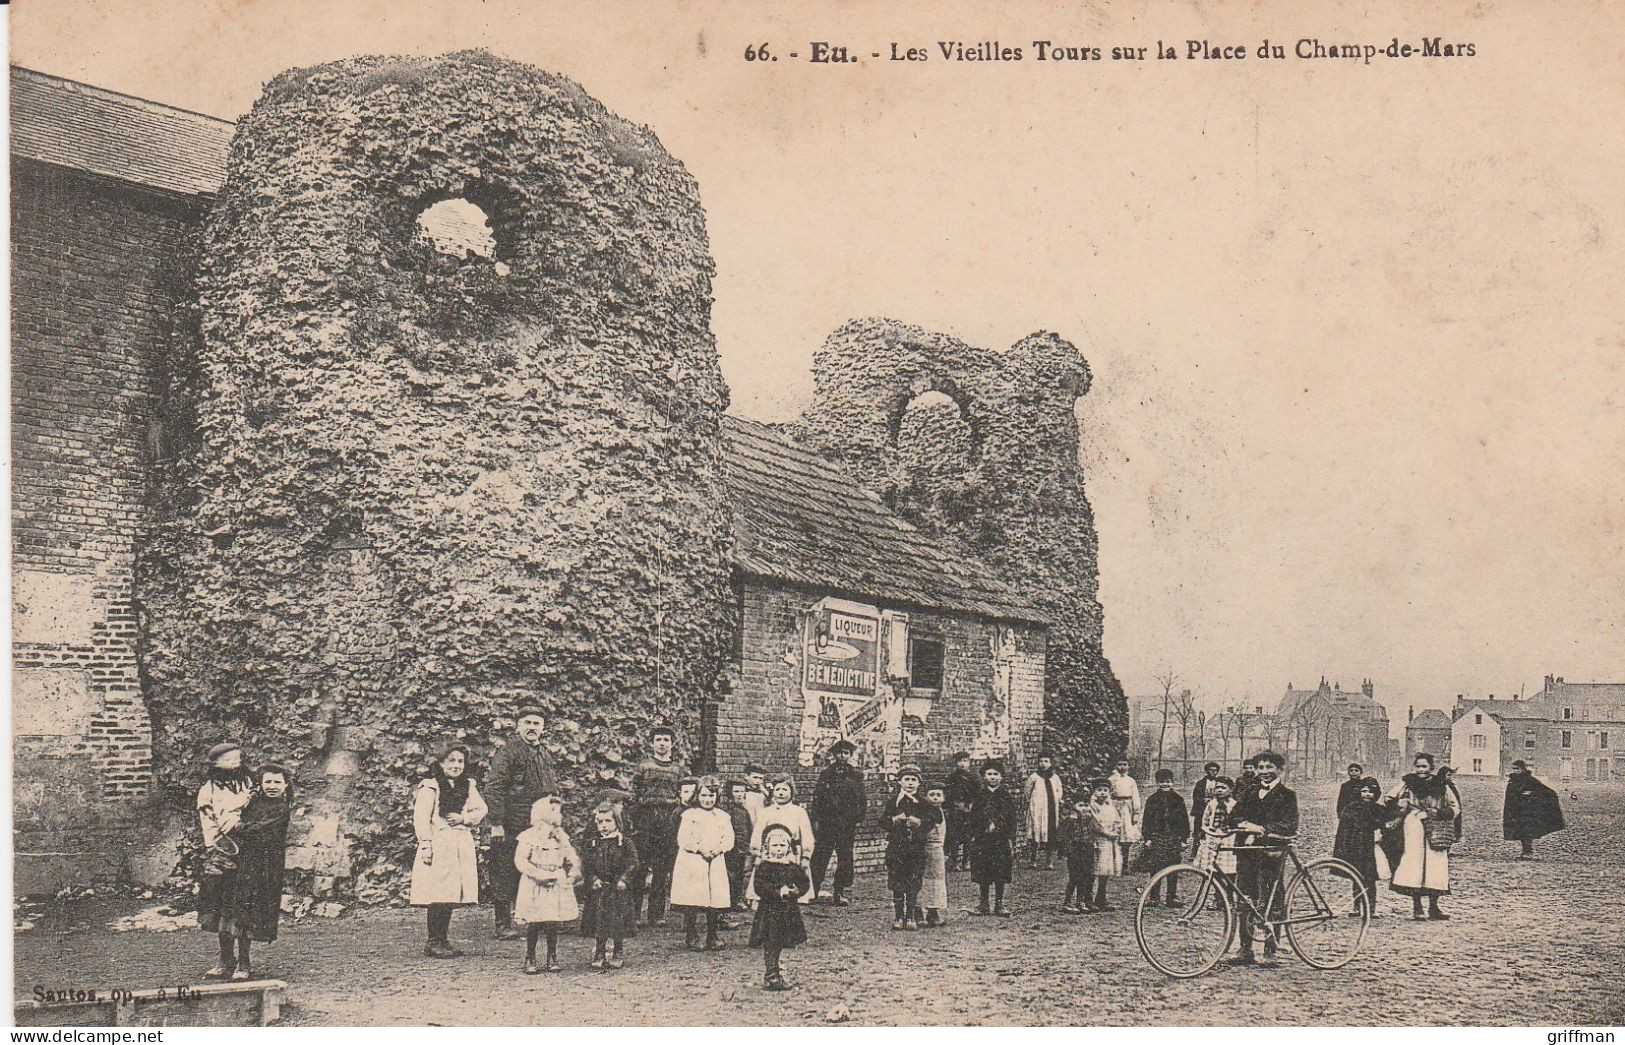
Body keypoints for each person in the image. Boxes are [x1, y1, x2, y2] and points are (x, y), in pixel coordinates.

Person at [200, 761, 292, 981]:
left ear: (285, 785)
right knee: (226, 910)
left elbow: (259, 832)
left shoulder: (280, 809)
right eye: (267, 781)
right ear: (260, 783)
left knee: (245, 915)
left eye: (277, 782)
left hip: (260, 869)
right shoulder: (250, 803)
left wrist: (236, 827)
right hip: (237, 864)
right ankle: (224, 961)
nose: (272, 786)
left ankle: (243, 963)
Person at [484, 707, 559, 940]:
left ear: (543, 729)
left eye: (537, 723)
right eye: (527, 722)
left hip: (538, 824)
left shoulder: (544, 754)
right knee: (505, 870)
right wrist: (496, 822)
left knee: (538, 866)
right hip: (512, 822)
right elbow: (494, 788)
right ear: (518, 726)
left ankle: (535, 918)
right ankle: (503, 924)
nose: (532, 728)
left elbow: (550, 788)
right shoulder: (508, 753)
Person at [410, 745, 488, 957]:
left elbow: (481, 809)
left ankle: (443, 939)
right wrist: (426, 844)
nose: (456, 765)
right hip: (439, 843)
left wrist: (465, 819)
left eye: (460, 761)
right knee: (438, 892)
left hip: (460, 843)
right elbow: (421, 818)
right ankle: (433, 940)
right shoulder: (431, 787)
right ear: (441, 763)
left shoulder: (467, 786)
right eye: (451, 760)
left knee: (451, 892)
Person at [1226, 750, 1298, 968]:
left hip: (1270, 852)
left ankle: (1270, 950)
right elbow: (1234, 816)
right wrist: (1243, 824)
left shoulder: (1287, 795)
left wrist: (1261, 829)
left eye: (1269, 767)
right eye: (1261, 768)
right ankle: (1245, 949)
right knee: (1244, 899)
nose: (1264, 772)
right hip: (1247, 852)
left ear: (1279, 770)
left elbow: (1289, 825)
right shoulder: (1249, 792)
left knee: (1271, 900)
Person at [195, 741, 257, 980]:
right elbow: (208, 820)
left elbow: (255, 813)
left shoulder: (250, 785)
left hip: (247, 850)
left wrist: (243, 828)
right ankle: (225, 960)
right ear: (216, 764)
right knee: (221, 907)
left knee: (242, 907)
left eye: (237, 759)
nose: (234, 764)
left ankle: (244, 962)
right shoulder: (208, 790)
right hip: (222, 852)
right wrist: (217, 844)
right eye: (228, 760)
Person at [1386, 753, 1460, 921]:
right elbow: (1389, 797)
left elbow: (1455, 807)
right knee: (1415, 866)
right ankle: (1417, 907)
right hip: (1413, 827)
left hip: (1435, 828)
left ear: (1431, 768)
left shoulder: (1441, 785)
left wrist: (1440, 812)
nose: (1421, 770)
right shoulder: (1407, 784)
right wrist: (1399, 807)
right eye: (1418, 766)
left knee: (1435, 866)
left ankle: (1434, 907)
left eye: (1424, 766)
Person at [514, 795, 580, 974]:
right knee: (534, 921)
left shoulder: (561, 836)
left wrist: (573, 872)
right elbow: (520, 860)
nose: (558, 815)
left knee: (552, 921)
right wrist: (537, 874)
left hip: (555, 880)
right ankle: (531, 956)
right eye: (554, 811)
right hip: (535, 882)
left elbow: (571, 856)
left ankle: (552, 955)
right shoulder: (529, 836)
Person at [629, 726, 684, 928]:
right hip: (646, 818)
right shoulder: (644, 767)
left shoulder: (678, 770)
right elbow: (634, 792)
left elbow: (682, 794)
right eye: (658, 739)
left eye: (666, 740)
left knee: (661, 870)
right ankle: (634, 913)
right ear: (652, 743)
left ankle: (656, 914)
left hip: (668, 820)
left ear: (672, 744)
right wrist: (636, 817)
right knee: (640, 867)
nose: (662, 743)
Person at [672, 776, 735, 951]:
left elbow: (729, 839)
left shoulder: (722, 817)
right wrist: (700, 849)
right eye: (704, 795)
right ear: (697, 795)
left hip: (715, 860)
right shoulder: (689, 815)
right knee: (693, 897)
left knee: (714, 898)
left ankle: (712, 935)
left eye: (711, 796)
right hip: (693, 860)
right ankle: (692, 935)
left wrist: (718, 849)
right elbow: (683, 838)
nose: (707, 800)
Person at [749, 824, 811, 991]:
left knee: (782, 941)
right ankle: (771, 975)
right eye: (775, 845)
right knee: (771, 942)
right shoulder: (764, 867)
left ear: (788, 847)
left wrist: (795, 891)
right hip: (770, 911)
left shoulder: (791, 866)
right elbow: (759, 887)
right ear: (768, 847)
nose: (779, 849)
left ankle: (774, 969)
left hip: (787, 911)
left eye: (782, 845)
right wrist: (777, 892)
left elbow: (804, 882)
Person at [580, 801, 639, 970]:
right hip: (600, 891)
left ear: (617, 822)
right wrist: (593, 879)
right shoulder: (592, 843)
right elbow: (586, 865)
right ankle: (599, 951)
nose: (604, 826)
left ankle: (618, 951)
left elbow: (633, 863)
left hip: (618, 890)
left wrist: (624, 879)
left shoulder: (624, 842)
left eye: (608, 821)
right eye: (600, 822)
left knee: (617, 921)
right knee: (599, 921)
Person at [882, 764, 940, 930]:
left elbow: (933, 820)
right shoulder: (893, 802)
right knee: (897, 882)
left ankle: (911, 917)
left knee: (913, 882)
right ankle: (899, 916)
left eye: (914, 780)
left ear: (919, 783)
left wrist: (920, 822)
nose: (910, 783)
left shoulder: (923, 803)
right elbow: (882, 821)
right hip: (896, 849)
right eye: (906, 779)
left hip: (916, 849)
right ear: (900, 782)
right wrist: (894, 820)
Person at [810, 740, 866, 905]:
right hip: (828, 823)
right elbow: (818, 798)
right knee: (820, 856)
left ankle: (840, 890)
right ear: (834, 755)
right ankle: (813, 889)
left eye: (846, 753)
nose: (843, 756)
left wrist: (858, 818)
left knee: (845, 858)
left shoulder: (856, 775)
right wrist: (816, 819)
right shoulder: (826, 774)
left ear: (850, 755)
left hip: (846, 824)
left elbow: (861, 799)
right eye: (840, 753)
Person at [750, 773, 816, 906]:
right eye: (777, 790)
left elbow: (807, 835)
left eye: (785, 790)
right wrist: (756, 853)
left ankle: (792, 898)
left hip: (791, 853)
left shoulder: (798, 812)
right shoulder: (765, 812)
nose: (781, 793)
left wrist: (806, 856)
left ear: (792, 792)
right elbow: (758, 833)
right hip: (770, 853)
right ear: (772, 792)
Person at [968, 758, 1019, 916]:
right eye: (989, 774)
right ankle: (983, 904)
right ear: (984, 776)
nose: (992, 777)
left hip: (1000, 839)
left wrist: (1008, 834)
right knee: (983, 872)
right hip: (983, 840)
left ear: (1001, 777)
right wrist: (980, 829)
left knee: (1000, 872)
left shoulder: (1006, 796)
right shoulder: (979, 796)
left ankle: (999, 903)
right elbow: (973, 818)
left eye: (996, 774)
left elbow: (1011, 818)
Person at [1332, 776, 1384, 917]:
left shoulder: (1378, 809)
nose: (1367, 794)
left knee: (1370, 879)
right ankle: (1356, 906)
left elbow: (1384, 823)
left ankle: (1371, 908)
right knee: (1356, 877)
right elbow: (1345, 824)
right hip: (1356, 847)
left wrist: (1379, 827)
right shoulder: (1353, 807)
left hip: (1370, 849)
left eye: (1371, 791)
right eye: (1364, 791)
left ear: (1376, 794)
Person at [1140, 768, 1190, 905]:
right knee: (1155, 867)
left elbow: (1184, 820)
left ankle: (1171, 896)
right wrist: (1147, 838)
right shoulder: (1152, 800)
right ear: (1157, 783)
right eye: (1162, 782)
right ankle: (1154, 897)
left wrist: (1184, 839)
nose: (1165, 785)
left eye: (1168, 781)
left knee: (1173, 868)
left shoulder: (1178, 800)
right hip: (1157, 837)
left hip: (1174, 838)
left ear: (1172, 782)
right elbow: (1146, 820)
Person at [1503, 759, 1565, 860]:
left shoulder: (1530, 780)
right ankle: (1525, 852)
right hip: (1517, 812)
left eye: (1517, 769)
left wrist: (1531, 795)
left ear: (1522, 769)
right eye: (1513, 769)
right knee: (1520, 833)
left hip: (1528, 812)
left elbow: (1546, 792)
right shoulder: (1512, 781)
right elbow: (1510, 797)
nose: (1515, 771)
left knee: (1527, 832)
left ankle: (1528, 852)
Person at [1083, 777, 1124, 911]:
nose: (1102, 793)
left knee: (1106, 871)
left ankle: (1101, 898)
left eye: (1105, 790)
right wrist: (1106, 833)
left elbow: (1118, 820)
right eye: (1099, 790)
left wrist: (1116, 830)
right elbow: (1094, 824)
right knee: (1093, 870)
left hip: (1109, 842)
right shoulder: (1091, 806)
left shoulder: (1110, 806)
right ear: (1094, 792)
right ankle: (1087, 899)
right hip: (1097, 841)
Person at [1022, 751, 1065, 869]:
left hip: (1051, 810)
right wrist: (1034, 804)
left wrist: (1056, 800)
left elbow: (1059, 791)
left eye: (1046, 761)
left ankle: (1049, 862)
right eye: (1041, 761)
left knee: (1051, 834)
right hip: (1037, 810)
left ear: (1050, 763)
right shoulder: (1034, 777)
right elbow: (1027, 792)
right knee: (1035, 833)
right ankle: (1033, 860)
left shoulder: (1055, 778)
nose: (1043, 764)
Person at [1194, 775, 1238, 881]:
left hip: (1228, 839)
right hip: (1213, 837)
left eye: (1223, 788)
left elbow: (1237, 822)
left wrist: (1230, 829)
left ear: (1230, 790)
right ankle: (1218, 893)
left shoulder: (1234, 804)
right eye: (1217, 787)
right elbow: (1205, 820)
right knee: (1214, 867)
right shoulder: (1212, 804)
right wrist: (1207, 829)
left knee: (1229, 869)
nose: (1219, 790)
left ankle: (1228, 894)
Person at [919, 782, 950, 926]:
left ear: (943, 798)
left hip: (938, 850)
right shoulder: (927, 812)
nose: (935, 798)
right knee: (923, 880)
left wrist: (947, 851)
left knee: (936, 881)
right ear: (926, 797)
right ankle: (918, 911)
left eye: (938, 795)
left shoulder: (943, 813)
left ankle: (933, 912)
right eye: (931, 795)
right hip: (925, 848)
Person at [1058, 796, 1095, 914]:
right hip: (1075, 850)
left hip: (1087, 849)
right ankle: (1067, 902)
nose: (1084, 809)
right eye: (1081, 806)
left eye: (1086, 806)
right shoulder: (1070, 820)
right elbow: (1062, 835)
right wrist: (1068, 849)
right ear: (1075, 807)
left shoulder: (1091, 820)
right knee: (1074, 877)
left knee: (1085, 876)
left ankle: (1080, 902)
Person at [944, 751, 979, 871]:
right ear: (956, 763)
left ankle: (966, 860)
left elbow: (978, 794)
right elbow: (948, 794)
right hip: (956, 809)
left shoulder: (973, 777)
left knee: (968, 836)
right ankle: (954, 861)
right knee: (954, 836)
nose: (962, 764)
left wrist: (971, 804)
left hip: (969, 810)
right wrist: (953, 805)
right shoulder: (952, 777)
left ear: (969, 763)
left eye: (965, 761)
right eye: (960, 761)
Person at [725, 780, 755, 912]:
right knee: (729, 875)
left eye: (742, 791)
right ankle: (730, 900)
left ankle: (737, 899)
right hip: (730, 848)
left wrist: (747, 845)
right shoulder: (726, 809)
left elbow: (749, 828)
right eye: (736, 791)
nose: (739, 794)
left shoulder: (743, 810)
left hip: (742, 848)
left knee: (739, 875)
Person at [1108, 758, 1142, 868]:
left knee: (1126, 836)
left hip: (1127, 808)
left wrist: (1136, 812)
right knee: (1113, 834)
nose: (1122, 767)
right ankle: (1113, 862)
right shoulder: (1111, 779)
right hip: (1114, 806)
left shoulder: (1131, 781)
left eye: (1125, 764)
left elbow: (1135, 797)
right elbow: (1107, 796)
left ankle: (1125, 864)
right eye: (1120, 764)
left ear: (1128, 767)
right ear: (1116, 766)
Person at [1189, 762, 1222, 857]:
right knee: (1198, 831)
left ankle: (1212, 852)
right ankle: (1194, 852)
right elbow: (1196, 797)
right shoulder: (1200, 783)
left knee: (1213, 830)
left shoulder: (1219, 782)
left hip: (1215, 810)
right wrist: (1204, 801)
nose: (1213, 772)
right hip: (1201, 810)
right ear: (1207, 771)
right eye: (1211, 770)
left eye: (1216, 771)